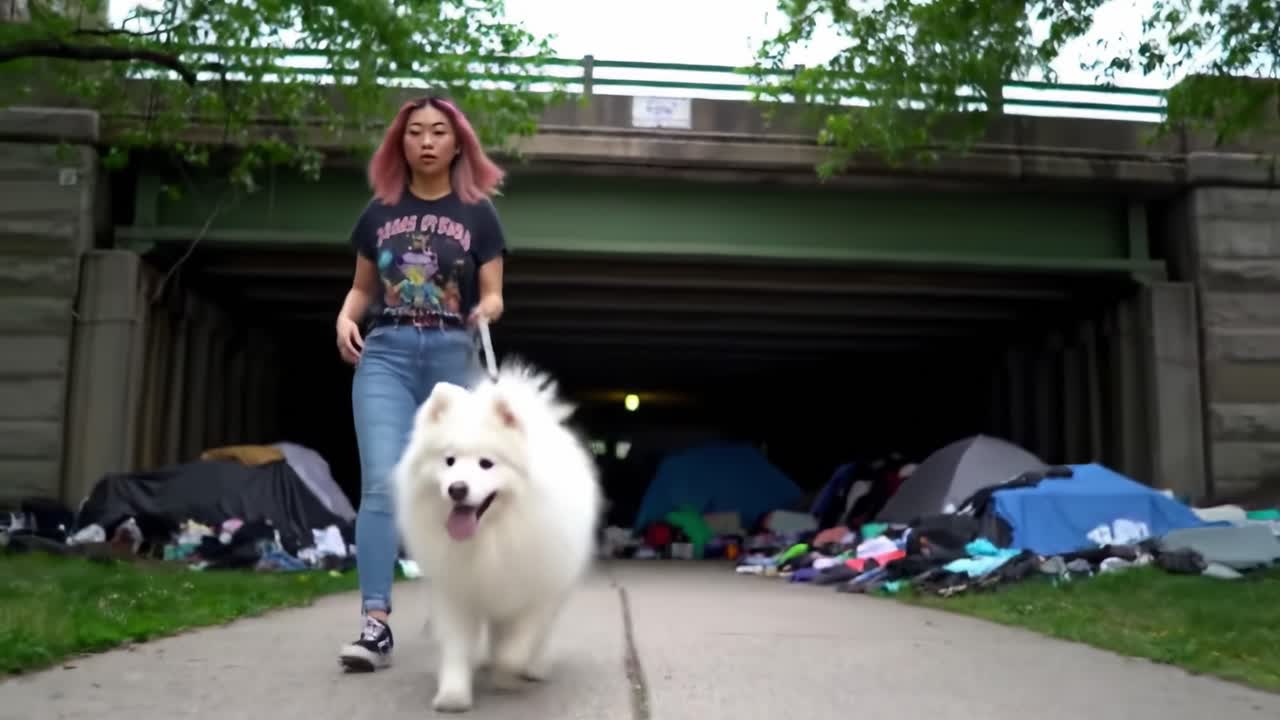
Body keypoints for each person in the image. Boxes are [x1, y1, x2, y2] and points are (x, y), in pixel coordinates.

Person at [333, 95, 508, 671]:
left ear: (457, 143)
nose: (426, 142)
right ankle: (375, 624)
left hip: (455, 358)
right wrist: (344, 318)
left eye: (438, 132)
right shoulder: (378, 212)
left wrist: (488, 307)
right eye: (415, 133)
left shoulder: (478, 213)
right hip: (385, 355)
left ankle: (467, 607)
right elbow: (362, 288)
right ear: (400, 143)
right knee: (383, 485)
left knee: (462, 489)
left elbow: (493, 291)